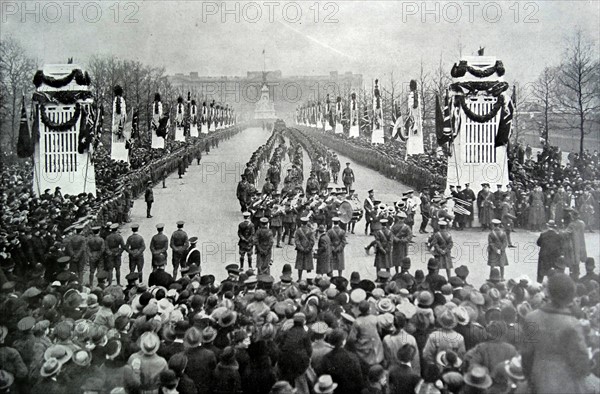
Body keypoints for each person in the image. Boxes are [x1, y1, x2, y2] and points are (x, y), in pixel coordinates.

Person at [521, 273, 597, 393]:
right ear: (570, 296)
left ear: (549, 292)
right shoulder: (572, 324)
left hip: (537, 380)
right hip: (565, 385)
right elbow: (581, 364)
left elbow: (526, 355)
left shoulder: (531, 318)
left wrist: (530, 380)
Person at [315, 329, 364, 394]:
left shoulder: (325, 359)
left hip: (334, 391)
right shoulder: (352, 357)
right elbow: (359, 380)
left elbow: (321, 376)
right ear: (343, 342)